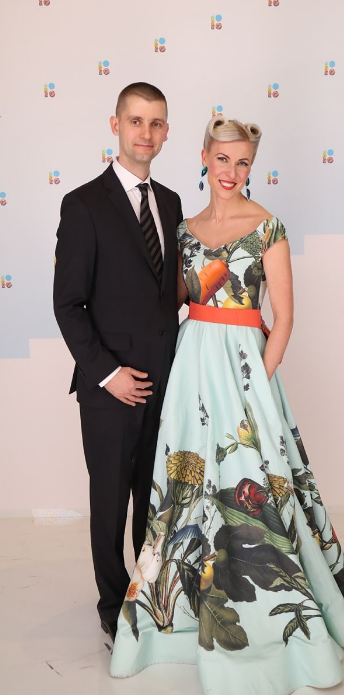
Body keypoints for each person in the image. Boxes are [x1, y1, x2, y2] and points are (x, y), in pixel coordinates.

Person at [110, 117, 344, 695]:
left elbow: (284, 317)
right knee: (187, 480)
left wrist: (260, 380)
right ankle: (177, 602)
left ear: (252, 166)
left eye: (243, 162)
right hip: (191, 366)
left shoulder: (268, 227)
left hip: (246, 369)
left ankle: (274, 596)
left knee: (256, 479)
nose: (231, 172)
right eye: (223, 158)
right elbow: (175, 300)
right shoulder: (184, 229)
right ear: (204, 157)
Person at [53, 83, 182, 643]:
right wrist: (108, 374)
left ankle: (149, 590)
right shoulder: (83, 204)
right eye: (136, 121)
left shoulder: (170, 202)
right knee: (109, 500)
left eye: (156, 123)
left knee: (154, 499)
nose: (145, 134)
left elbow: (168, 294)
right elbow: (68, 304)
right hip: (109, 388)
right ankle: (112, 603)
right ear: (116, 125)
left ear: (166, 131)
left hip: (164, 380)